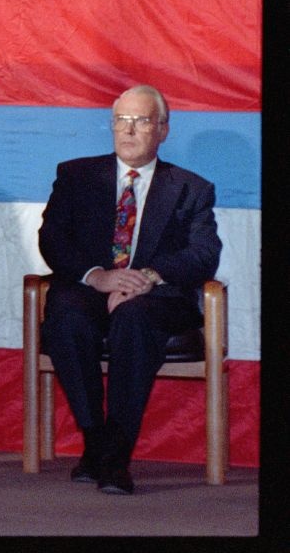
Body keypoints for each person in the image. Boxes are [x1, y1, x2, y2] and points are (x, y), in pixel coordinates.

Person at [37, 84, 221, 495]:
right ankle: (95, 440)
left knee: (133, 318)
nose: (129, 130)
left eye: (141, 121)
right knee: (66, 317)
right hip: (91, 286)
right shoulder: (76, 175)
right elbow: (53, 239)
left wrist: (148, 278)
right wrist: (98, 276)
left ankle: (116, 456)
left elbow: (205, 254)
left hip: (156, 298)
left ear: (163, 130)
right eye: (122, 120)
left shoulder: (191, 187)